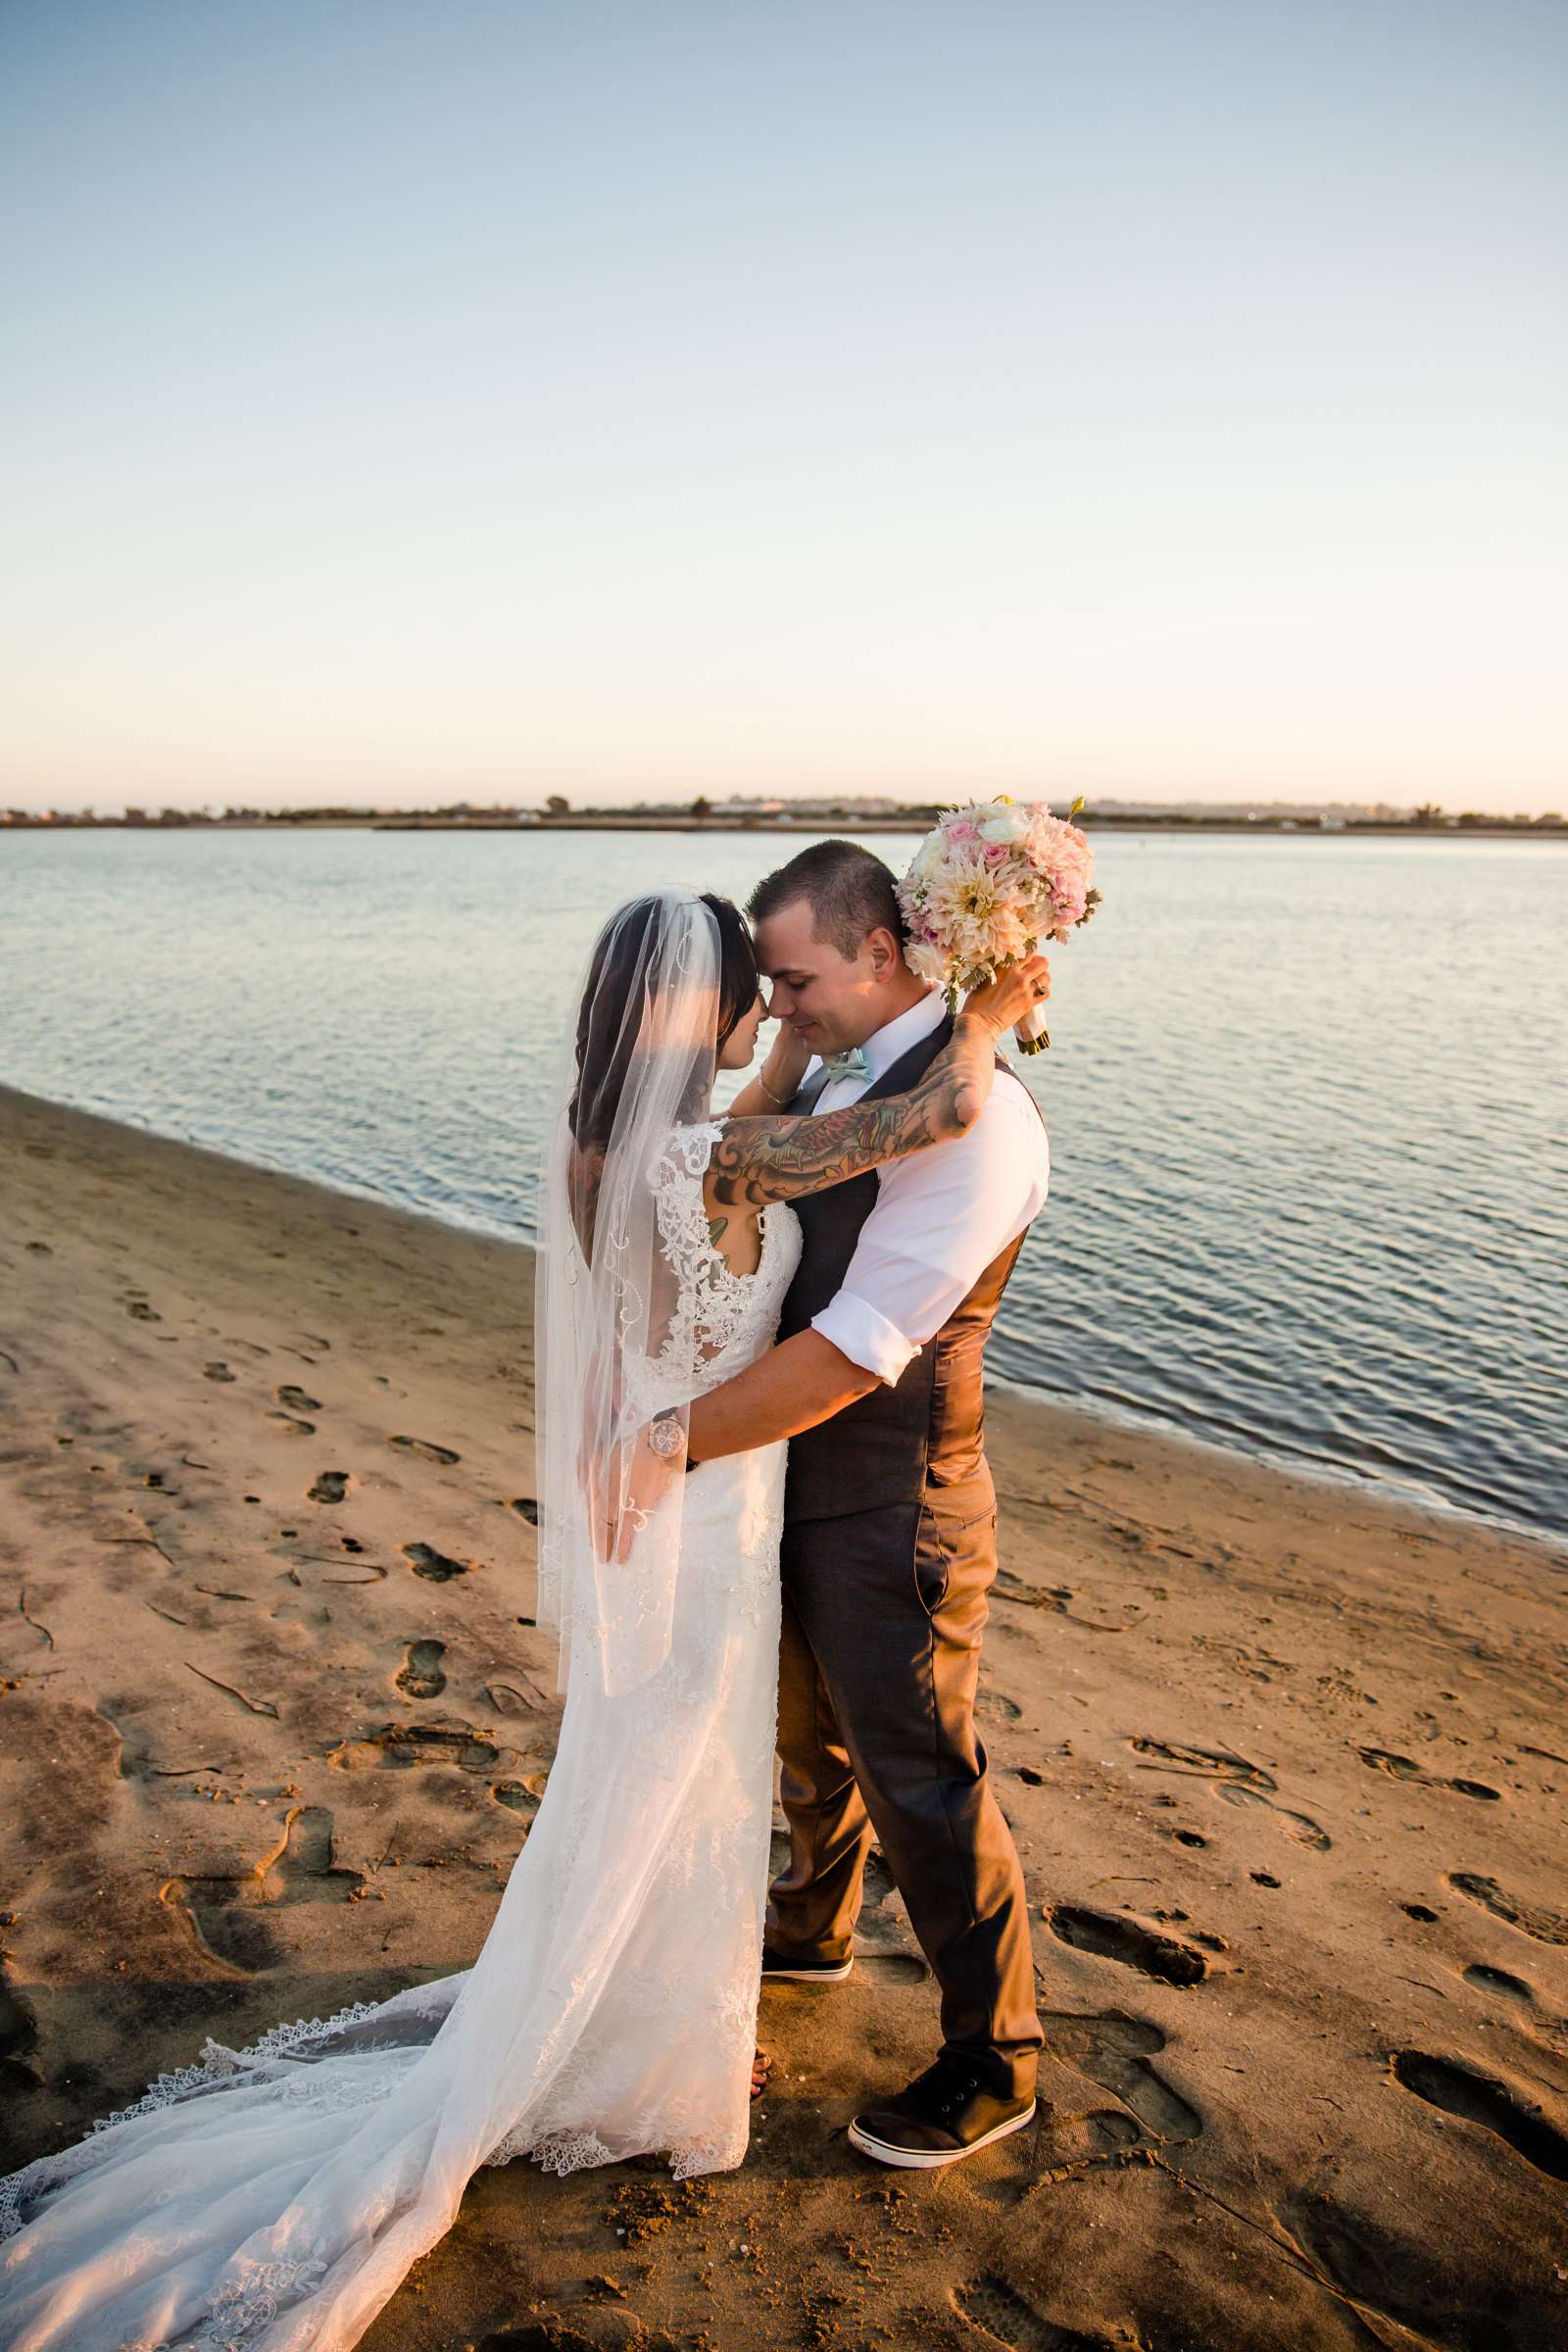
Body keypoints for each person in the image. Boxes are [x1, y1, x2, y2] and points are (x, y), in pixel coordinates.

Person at [0, 885, 1047, 2352]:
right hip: (707, 1505)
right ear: (707, 1010)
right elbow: (927, 1118)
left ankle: (658, 1996)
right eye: (754, 989)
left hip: (663, 1497)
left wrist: (806, 1044)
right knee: (680, 1773)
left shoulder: (605, 1148)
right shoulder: (733, 1164)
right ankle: (639, 2051)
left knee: (642, 1771)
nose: (773, 1011)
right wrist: (992, 1005)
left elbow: (756, 1157)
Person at [676, 840, 1054, 2170]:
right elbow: (753, 1164)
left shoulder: (980, 1120)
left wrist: (668, 1446)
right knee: (805, 1740)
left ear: (881, 955)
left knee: (920, 1773)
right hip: (784, 1476)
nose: (777, 1006)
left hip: (896, 1499)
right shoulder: (844, 1072)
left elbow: (854, 1349)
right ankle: (816, 1924)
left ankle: (993, 2057)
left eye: (794, 979)